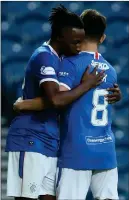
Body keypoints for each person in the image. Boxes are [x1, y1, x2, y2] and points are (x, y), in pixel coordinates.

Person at [15, 9, 121, 200]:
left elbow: (57, 100)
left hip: (77, 151)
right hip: (106, 151)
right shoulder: (111, 70)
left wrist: (25, 104)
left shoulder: (70, 64)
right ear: (103, 38)